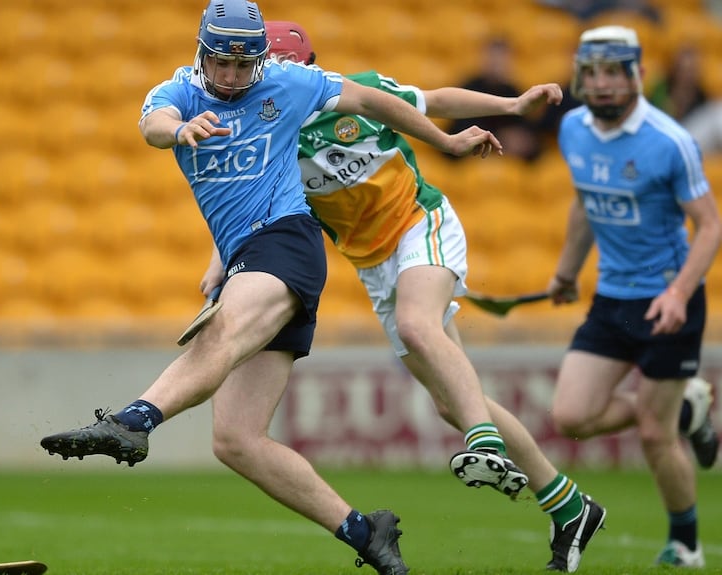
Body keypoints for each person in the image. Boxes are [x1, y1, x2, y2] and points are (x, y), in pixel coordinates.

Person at [39, 2, 500, 574]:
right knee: (236, 440)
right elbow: (153, 127)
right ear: (202, 54)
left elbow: (374, 100)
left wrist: (445, 142)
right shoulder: (179, 91)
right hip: (246, 257)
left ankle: (131, 423)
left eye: (244, 65)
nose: (232, 77)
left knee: (222, 328)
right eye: (221, 64)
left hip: (286, 240)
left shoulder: (289, 81)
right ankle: (366, 533)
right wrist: (181, 129)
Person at [201, 19, 606, 573]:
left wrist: (510, 108)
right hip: (374, 266)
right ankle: (570, 506)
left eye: (298, 68)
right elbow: (248, 212)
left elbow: (432, 98)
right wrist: (219, 262)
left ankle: (484, 444)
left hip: (421, 223)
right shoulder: (264, 138)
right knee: (452, 401)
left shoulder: (351, 92)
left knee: (421, 327)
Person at [547, 25, 722, 568]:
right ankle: (690, 407)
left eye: (612, 73)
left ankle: (686, 544)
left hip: (669, 302)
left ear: (638, 77)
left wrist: (677, 293)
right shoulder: (573, 128)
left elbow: (711, 227)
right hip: (611, 300)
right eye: (591, 73)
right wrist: (567, 270)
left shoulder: (670, 141)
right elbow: (585, 202)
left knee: (653, 433)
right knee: (571, 417)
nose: (599, 85)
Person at [446, 38, 543, 163]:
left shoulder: (513, 92)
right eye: (493, 58)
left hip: (508, 161)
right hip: (471, 161)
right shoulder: (469, 88)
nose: (497, 64)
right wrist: (500, 137)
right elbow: (458, 130)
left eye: (502, 59)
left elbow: (526, 131)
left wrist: (522, 140)